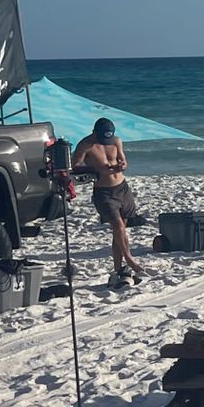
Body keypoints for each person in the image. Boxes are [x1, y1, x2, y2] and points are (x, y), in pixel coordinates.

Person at [74, 117, 145, 286]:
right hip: (104, 192)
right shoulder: (85, 145)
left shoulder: (116, 141)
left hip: (122, 187)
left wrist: (121, 165)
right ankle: (129, 259)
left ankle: (118, 269)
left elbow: (123, 160)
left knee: (120, 232)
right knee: (118, 227)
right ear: (94, 133)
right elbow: (74, 165)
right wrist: (94, 169)